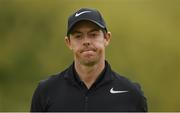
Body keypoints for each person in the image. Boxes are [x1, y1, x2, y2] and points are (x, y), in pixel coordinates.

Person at [30, 8, 148, 112]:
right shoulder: (46, 91)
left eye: (93, 35)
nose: (86, 41)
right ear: (68, 42)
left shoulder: (131, 94)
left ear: (107, 38)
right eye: (78, 36)